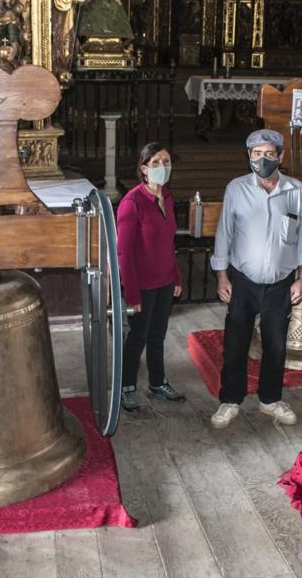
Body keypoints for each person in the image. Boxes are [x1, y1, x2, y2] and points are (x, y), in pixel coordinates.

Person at [209, 129, 302, 428]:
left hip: (281, 284)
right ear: (248, 157)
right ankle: (230, 400)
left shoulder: (296, 191)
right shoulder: (236, 189)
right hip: (243, 281)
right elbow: (224, 235)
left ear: (281, 156)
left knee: (276, 345)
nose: (262, 159)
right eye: (256, 154)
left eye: (269, 154)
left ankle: (270, 400)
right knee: (235, 343)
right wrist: (221, 276)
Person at [116, 143, 186, 411]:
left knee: (158, 336)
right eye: (156, 163)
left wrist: (176, 277)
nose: (162, 167)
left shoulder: (167, 196)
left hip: (165, 282)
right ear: (143, 168)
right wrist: (132, 294)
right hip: (142, 286)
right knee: (137, 338)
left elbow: (169, 243)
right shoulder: (132, 203)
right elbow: (125, 254)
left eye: (166, 162)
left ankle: (158, 382)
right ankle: (127, 387)